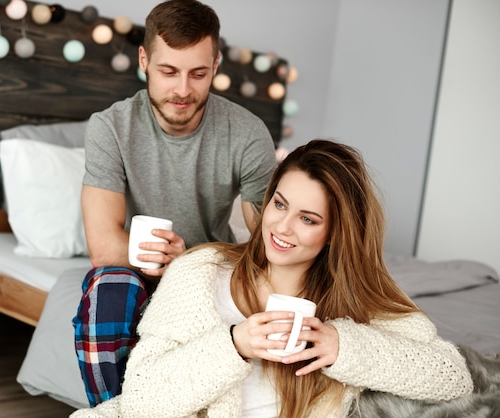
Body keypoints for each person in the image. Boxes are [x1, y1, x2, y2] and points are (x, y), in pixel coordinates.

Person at [70, 139, 473, 418]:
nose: (281, 226)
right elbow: (141, 399)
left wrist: (342, 345)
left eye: (308, 219)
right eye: (279, 204)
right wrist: (235, 344)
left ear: (334, 233)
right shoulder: (201, 271)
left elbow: (453, 376)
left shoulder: (353, 298)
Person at [73, 0, 278, 407]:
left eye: (198, 73)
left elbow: (269, 244)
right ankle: (120, 413)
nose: (183, 90)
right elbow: (103, 247)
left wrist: (190, 262)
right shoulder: (110, 128)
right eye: (168, 71)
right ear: (144, 60)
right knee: (109, 289)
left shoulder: (249, 134)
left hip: (211, 273)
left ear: (216, 65)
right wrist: (163, 260)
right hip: (136, 272)